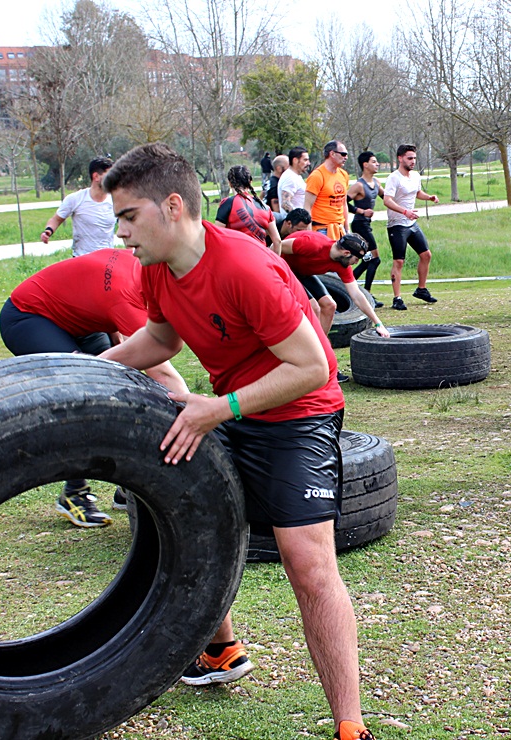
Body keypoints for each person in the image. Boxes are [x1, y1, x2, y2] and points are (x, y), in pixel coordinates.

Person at [99, 143, 375, 740]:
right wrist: (87, 371)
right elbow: (162, 340)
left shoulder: (243, 266)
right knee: (185, 521)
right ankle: (222, 651)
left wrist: (216, 410)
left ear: (172, 206)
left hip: (298, 413)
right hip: (230, 407)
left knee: (307, 565)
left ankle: (350, 727)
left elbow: (312, 368)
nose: (120, 233)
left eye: (128, 217)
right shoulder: (156, 267)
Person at [0, 248, 188, 527]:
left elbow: (109, 312)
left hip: (81, 321)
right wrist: (193, 413)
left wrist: (116, 351)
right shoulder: (128, 294)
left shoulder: (142, 265)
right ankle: (74, 492)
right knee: (85, 396)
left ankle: (127, 487)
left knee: (119, 387)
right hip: (27, 317)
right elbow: (161, 371)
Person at [280, 230, 391, 377]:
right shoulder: (312, 244)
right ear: (346, 253)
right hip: (282, 268)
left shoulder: (342, 264)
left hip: (303, 272)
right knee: (314, 308)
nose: (356, 263)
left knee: (329, 305)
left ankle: (320, 351)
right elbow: (275, 247)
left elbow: (357, 295)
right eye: (356, 259)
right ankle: (306, 356)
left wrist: (378, 323)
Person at [383, 144, 439, 310]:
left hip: (411, 223)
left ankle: (421, 290)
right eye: (409, 158)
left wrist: (429, 197)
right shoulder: (394, 178)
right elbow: (387, 200)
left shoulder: (415, 176)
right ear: (400, 158)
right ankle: (397, 298)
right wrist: (405, 211)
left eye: (414, 158)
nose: (413, 161)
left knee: (426, 255)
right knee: (399, 261)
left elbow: (416, 193)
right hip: (397, 225)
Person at [41, 157, 117, 258]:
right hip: (81, 259)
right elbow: (56, 219)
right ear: (96, 177)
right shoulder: (75, 199)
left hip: (107, 261)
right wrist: (48, 231)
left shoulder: (116, 201)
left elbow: (127, 228)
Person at [215, 165, 283, 253]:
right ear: (250, 182)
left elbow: (217, 237)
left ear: (230, 183)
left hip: (237, 258)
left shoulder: (227, 203)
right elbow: (277, 241)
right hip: (261, 258)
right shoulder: (265, 207)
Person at [347, 151, 384, 307]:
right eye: (374, 162)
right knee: (375, 259)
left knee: (368, 260)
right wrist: (361, 211)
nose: (377, 164)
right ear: (365, 165)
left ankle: (350, 286)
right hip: (359, 224)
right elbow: (344, 203)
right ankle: (366, 295)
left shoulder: (376, 182)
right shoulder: (359, 185)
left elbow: (387, 198)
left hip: (366, 224)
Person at [304, 140, 350, 240]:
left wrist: (347, 228)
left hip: (340, 229)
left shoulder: (343, 174)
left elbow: (343, 203)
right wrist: (310, 233)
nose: (346, 157)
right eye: (343, 154)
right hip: (321, 229)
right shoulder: (317, 176)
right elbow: (307, 207)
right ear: (332, 154)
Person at [279, 146, 311, 219]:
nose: (308, 163)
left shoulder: (295, 176)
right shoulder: (290, 178)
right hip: (295, 226)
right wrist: (301, 219)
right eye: (305, 160)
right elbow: (285, 203)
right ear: (295, 160)